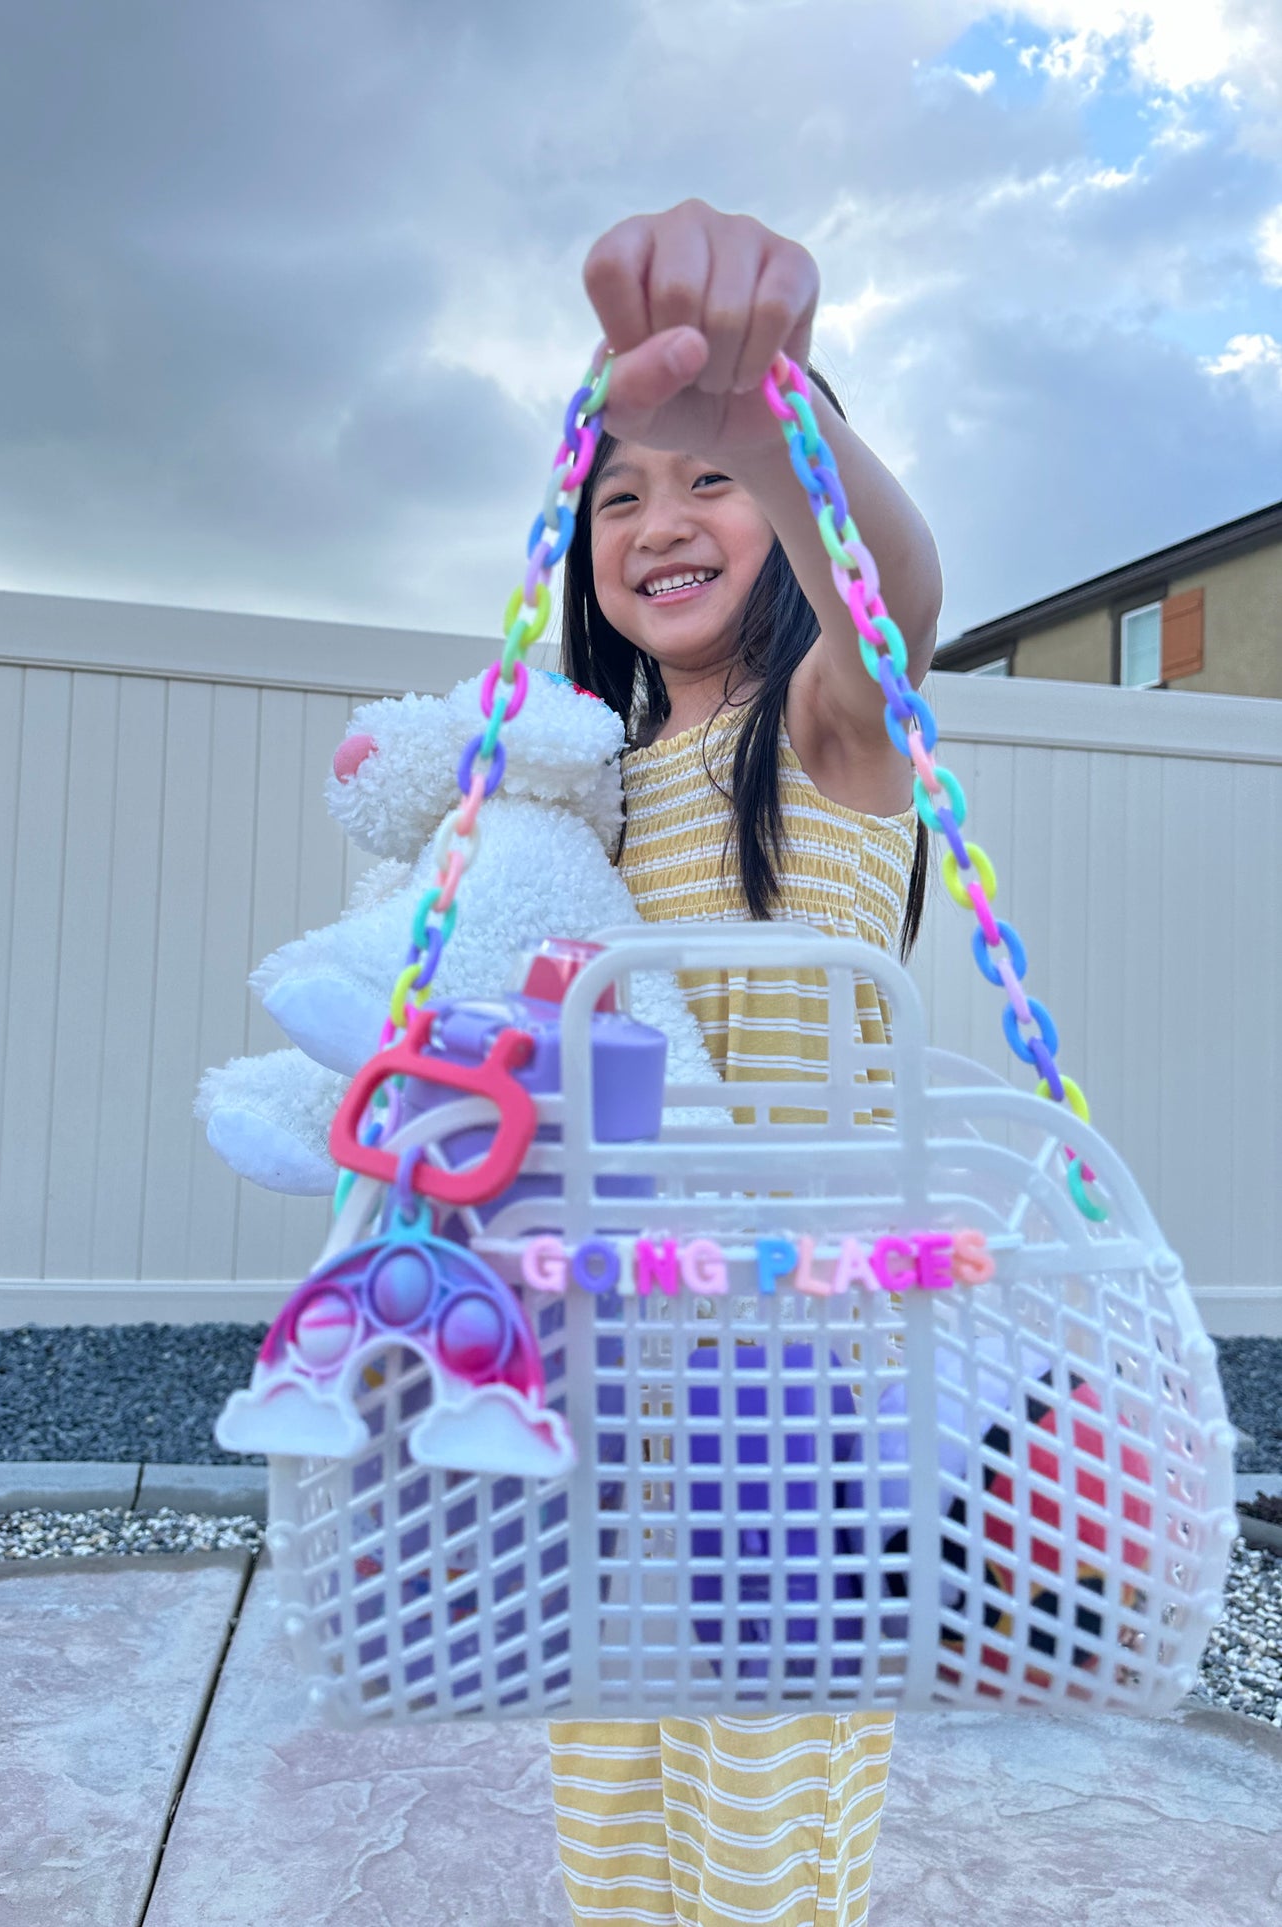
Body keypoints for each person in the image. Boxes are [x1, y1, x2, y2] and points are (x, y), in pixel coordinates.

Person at [547, 200, 943, 1927]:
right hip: (605, 1374)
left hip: (793, 1370)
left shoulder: (830, 732)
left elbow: (896, 588)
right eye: (616, 493)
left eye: (699, 484)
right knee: (612, 1795)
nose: (659, 521)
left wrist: (769, 413)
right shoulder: (590, 780)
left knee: (765, 1794)